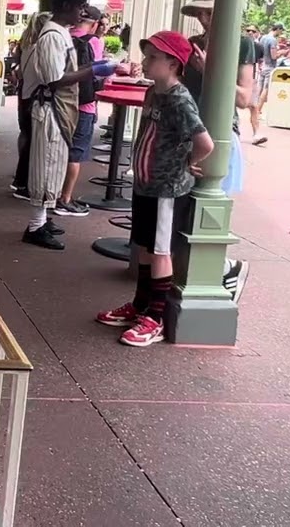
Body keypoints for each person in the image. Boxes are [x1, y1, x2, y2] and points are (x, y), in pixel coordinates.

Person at [96, 31, 214, 347]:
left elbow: (205, 142)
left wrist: (188, 162)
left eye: (152, 57)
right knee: (146, 246)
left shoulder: (178, 99)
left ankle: (156, 317)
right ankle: (140, 305)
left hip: (166, 188)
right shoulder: (154, 94)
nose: (145, 62)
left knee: (161, 250)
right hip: (146, 184)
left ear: (173, 63)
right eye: (146, 55)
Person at [19, 0, 110, 250]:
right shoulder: (51, 36)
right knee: (45, 166)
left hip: (57, 109)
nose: (83, 12)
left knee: (54, 164)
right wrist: (93, 70)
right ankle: (35, 225)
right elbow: (54, 79)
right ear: (67, 5)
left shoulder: (58, 33)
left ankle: (42, 219)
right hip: (49, 109)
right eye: (81, 6)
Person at [179, 0, 254, 299]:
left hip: (218, 135)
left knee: (208, 209)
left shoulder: (242, 44)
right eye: (200, 13)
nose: (205, 19)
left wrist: (210, 67)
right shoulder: (191, 43)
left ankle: (224, 269)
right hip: (187, 131)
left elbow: (244, 98)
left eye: (210, 12)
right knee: (184, 208)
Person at [55, 5, 117, 217]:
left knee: (59, 149)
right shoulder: (94, 42)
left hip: (62, 102)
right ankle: (65, 198)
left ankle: (51, 194)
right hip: (85, 104)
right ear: (95, 23)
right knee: (76, 152)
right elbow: (100, 75)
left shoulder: (63, 37)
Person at [11, 0, 55, 198]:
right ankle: (27, 184)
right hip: (35, 98)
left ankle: (21, 180)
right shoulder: (40, 49)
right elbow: (47, 76)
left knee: (27, 138)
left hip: (24, 94)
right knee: (36, 144)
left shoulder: (27, 46)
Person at [252, 22, 286, 145]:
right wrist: (283, 52)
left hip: (262, 66)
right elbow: (274, 56)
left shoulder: (263, 38)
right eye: (281, 31)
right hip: (270, 67)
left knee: (259, 88)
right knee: (266, 89)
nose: (281, 33)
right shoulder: (272, 40)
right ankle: (258, 111)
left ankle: (256, 109)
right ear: (277, 29)